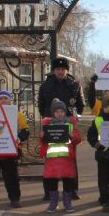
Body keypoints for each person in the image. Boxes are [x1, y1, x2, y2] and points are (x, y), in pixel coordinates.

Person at [37, 57, 84, 201]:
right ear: (54, 70)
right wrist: (49, 120)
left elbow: (80, 106)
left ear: (67, 70)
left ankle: (72, 190)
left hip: (68, 126)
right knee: (51, 159)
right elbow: (41, 105)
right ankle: (49, 192)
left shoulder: (74, 85)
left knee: (70, 159)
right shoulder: (45, 85)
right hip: (51, 127)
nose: (60, 72)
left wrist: (72, 116)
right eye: (58, 69)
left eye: (63, 69)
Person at [40, 98, 81, 213]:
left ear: (65, 112)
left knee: (68, 181)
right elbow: (43, 142)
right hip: (52, 159)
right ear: (53, 113)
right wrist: (42, 136)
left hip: (66, 158)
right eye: (57, 111)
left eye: (62, 111)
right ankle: (53, 203)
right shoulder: (47, 124)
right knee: (51, 182)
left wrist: (72, 136)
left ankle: (67, 203)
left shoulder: (70, 123)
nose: (60, 113)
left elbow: (78, 139)